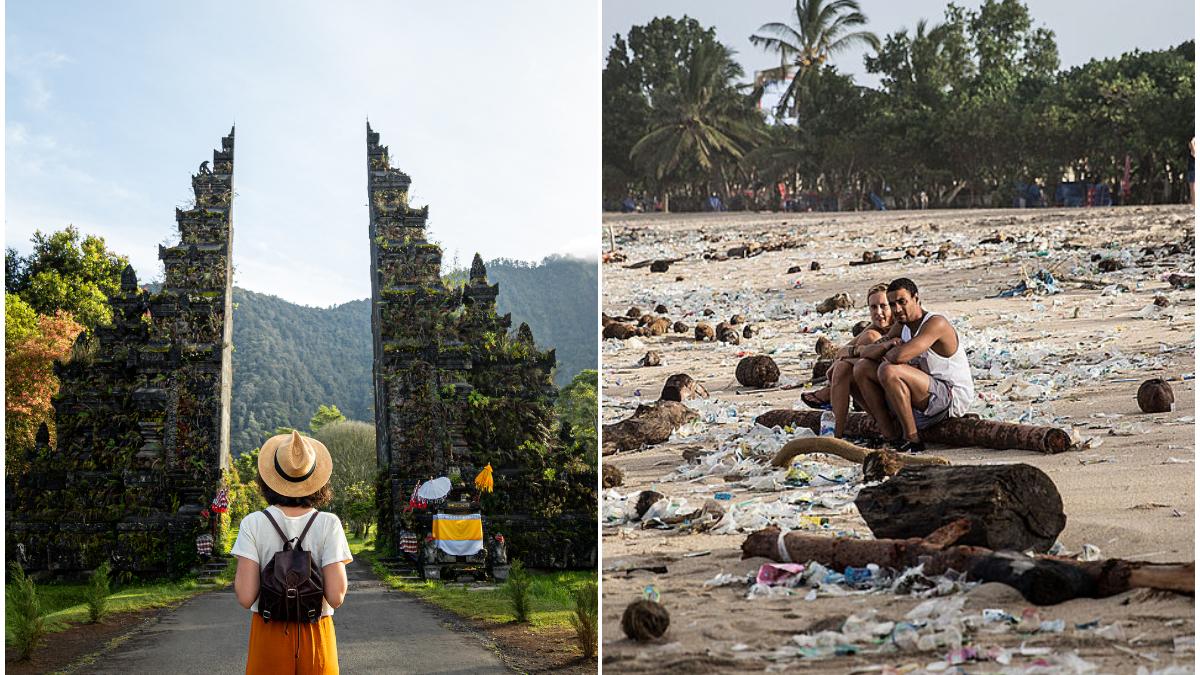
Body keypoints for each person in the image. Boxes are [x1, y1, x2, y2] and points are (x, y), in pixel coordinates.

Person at [232, 431, 352, 674]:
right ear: (316, 477)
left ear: (269, 478)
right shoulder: (329, 523)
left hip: (269, 629)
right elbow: (336, 597)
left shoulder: (253, 523)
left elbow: (246, 597)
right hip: (315, 631)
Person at [849, 278, 975, 452]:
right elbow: (872, 351)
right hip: (923, 395)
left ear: (916, 298)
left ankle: (913, 439)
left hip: (949, 396)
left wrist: (886, 348)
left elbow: (898, 356)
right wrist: (884, 345)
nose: (897, 309)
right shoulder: (902, 325)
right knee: (861, 368)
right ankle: (890, 435)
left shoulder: (935, 323)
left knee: (888, 370)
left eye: (902, 302)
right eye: (893, 304)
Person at [799, 283, 894, 424]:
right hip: (874, 385)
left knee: (868, 340)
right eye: (873, 307)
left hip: (895, 388)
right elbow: (842, 351)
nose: (878, 312)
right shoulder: (876, 325)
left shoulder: (898, 326)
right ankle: (837, 434)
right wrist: (851, 356)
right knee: (843, 366)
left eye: (883, 306)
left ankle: (830, 393)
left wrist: (850, 357)